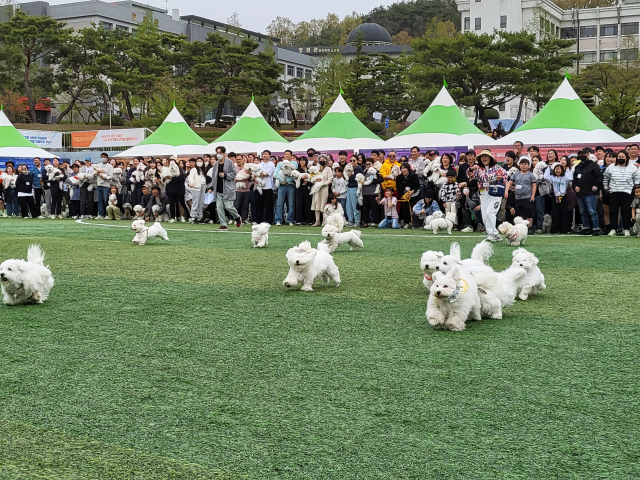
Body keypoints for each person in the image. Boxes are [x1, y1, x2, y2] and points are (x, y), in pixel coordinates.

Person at [468, 150, 507, 242]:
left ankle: (492, 234)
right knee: (485, 215)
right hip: (483, 192)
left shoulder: (497, 167)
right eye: (482, 156)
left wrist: (500, 178)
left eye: (486, 156)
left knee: (490, 212)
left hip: (495, 192)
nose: (484, 158)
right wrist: (471, 169)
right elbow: (470, 177)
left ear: (490, 158)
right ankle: (494, 234)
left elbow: (505, 176)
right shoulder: (478, 168)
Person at [603, 150, 640, 237]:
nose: (620, 158)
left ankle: (626, 229)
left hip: (627, 192)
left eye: (622, 157)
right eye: (619, 157)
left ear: (626, 158)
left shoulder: (632, 168)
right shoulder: (611, 167)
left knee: (626, 212)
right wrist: (606, 188)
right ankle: (613, 229)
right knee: (613, 211)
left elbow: (637, 180)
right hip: (614, 192)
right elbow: (606, 178)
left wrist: (635, 190)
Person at [209, 149, 242, 231]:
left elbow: (234, 174)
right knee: (219, 207)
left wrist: (225, 175)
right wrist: (211, 187)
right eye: (217, 153)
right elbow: (213, 177)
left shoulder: (230, 163)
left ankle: (237, 217)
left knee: (229, 207)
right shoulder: (216, 164)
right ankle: (223, 224)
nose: (218, 154)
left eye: (220, 152)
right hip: (218, 189)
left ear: (224, 153)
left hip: (227, 189)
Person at [573, 150, 602, 236]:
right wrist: (575, 186)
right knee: (583, 212)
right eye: (580, 155)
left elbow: (600, 176)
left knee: (592, 211)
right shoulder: (577, 167)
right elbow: (574, 179)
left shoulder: (593, 165)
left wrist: (596, 185)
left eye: (584, 154)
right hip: (580, 193)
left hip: (590, 192)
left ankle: (596, 228)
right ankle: (586, 227)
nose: (582, 156)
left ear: (588, 154)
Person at [506, 157, 536, 229]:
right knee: (518, 214)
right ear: (519, 165)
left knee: (529, 214)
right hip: (517, 197)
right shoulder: (516, 174)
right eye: (522, 164)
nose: (523, 166)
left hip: (527, 197)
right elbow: (509, 183)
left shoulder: (531, 175)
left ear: (528, 166)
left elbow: (534, 185)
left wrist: (533, 195)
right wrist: (506, 191)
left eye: (525, 164)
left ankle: (530, 227)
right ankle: (519, 228)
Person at [544, 162, 574, 234]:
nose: (557, 171)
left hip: (563, 196)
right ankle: (555, 229)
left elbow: (570, 178)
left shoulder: (565, 178)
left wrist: (567, 170)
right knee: (555, 213)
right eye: (556, 169)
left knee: (563, 213)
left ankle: (564, 229)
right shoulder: (553, 178)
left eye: (559, 169)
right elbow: (545, 177)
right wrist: (548, 169)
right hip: (555, 196)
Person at [274, 151, 298, 226]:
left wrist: (285, 171)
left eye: (288, 154)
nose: (286, 155)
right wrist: (281, 180)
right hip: (282, 185)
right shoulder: (279, 164)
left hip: (291, 185)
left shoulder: (294, 163)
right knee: (279, 204)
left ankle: (290, 220)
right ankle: (278, 220)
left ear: (291, 156)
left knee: (291, 204)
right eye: (285, 154)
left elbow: (294, 173)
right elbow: (276, 173)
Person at [311, 154, 333, 227]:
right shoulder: (315, 168)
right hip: (316, 188)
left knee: (323, 204)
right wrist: (315, 180)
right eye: (321, 159)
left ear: (326, 161)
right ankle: (317, 221)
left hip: (324, 188)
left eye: (324, 159)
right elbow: (311, 177)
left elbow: (330, 179)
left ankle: (324, 221)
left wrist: (324, 184)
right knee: (316, 203)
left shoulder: (328, 169)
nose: (322, 160)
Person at [396, 162, 420, 228]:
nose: (403, 170)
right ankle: (407, 222)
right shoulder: (399, 177)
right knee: (405, 209)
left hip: (414, 194)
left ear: (408, 169)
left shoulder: (414, 175)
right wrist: (404, 195)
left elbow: (417, 185)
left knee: (414, 208)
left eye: (405, 168)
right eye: (402, 168)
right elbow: (398, 188)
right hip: (405, 195)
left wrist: (412, 191)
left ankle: (415, 223)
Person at [255, 149, 275, 224]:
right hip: (259, 186)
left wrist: (258, 174)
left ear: (269, 155)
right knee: (259, 204)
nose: (265, 155)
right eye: (264, 154)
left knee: (268, 205)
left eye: (266, 154)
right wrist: (257, 175)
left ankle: (269, 220)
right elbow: (255, 172)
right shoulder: (260, 164)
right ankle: (258, 220)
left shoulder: (271, 164)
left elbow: (267, 174)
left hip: (268, 187)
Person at [361, 158, 382, 228]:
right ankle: (365, 223)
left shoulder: (376, 171)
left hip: (374, 193)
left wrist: (372, 180)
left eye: (369, 164)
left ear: (373, 164)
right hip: (365, 193)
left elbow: (381, 179)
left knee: (375, 208)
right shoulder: (364, 172)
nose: (368, 166)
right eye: (366, 164)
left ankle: (376, 222)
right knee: (365, 209)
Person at [187, 157, 207, 224]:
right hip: (196, 187)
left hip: (203, 186)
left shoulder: (203, 170)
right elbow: (190, 177)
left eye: (201, 161)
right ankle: (193, 217)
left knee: (201, 203)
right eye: (198, 161)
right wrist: (191, 183)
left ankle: (199, 217)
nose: (199, 162)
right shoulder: (194, 170)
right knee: (195, 202)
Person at [345, 155, 363, 227]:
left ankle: (357, 221)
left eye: (354, 160)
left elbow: (355, 178)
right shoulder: (349, 167)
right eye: (351, 160)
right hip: (349, 188)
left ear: (357, 161)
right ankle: (350, 220)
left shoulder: (358, 169)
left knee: (355, 205)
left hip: (355, 188)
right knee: (348, 205)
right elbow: (346, 177)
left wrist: (350, 176)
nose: (352, 162)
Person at [294, 157, 313, 226]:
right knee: (299, 204)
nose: (302, 162)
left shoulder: (310, 170)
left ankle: (308, 220)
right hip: (299, 189)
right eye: (301, 161)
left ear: (306, 161)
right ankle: (298, 220)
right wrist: (302, 179)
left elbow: (312, 180)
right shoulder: (297, 170)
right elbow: (295, 180)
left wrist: (307, 183)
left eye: (303, 160)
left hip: (307, 189)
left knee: (308, 204)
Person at [234, 155, 252, 224]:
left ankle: (244, 219)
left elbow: (251, 178)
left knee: (245, 205)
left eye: (240, 159)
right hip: (237, 189)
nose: (239, 160)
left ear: (243, 160)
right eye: (237, 159)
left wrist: (249, 174)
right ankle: (237, 219)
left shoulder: (247, 168)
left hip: (247, 189)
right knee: (237, 205)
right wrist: (241, 179)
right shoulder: (234, 168)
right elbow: (233, 179)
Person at [95, 152, 113, 219]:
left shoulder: (110, 166)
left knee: (106, 199)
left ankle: (107, 214)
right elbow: (94, 173)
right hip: (99, 184)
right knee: (99, 200)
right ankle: (100, 213)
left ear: (107, 158)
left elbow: (111, 176)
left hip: (106, 184)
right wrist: (98, 172)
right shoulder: (98, 165)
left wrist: (104, 176)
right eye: (102, 157)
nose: (103, 158)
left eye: (104, 157)